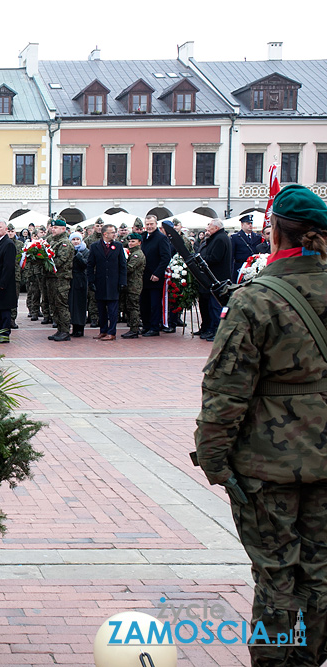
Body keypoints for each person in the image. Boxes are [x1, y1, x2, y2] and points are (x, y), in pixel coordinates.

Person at [194, 184, 327, 667]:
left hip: (269, 466)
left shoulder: (258, 299)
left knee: (276, 577)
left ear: (274, 231)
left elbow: (226, 391)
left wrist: (212, 460)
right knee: (320, 573)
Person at [86, 224, 127, 340]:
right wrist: (91, 280)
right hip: (100, 282)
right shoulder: (95, 246)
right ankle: (103, 330)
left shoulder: (118, 246)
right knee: (101, 309)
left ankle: (112, 332)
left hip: (114, 282)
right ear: (105, 234)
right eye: (112, 232)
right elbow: (90, 265)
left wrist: (122, 281)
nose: (115, 234)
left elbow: (123, 265)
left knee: (113, 309)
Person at [197, 219, 233, 342]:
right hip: (215, 277)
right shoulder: (219, 237)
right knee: (212, 306)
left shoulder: (220, 239)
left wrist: (201, 259)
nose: (207, 228)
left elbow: (215, 258)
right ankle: (211, 329)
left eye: (210, 227)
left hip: (217, 278)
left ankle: (217, 331)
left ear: (216, 228)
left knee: (215, 306)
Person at [139, 215, 173, 337]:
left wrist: (157, 273)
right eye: (147, 224)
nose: (149, 226)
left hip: (155, 277)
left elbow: (165, 257)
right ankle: (146, 325)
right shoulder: (143, 237)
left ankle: (154, 327)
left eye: (151, 224)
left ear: (156, 224)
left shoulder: (161, 238)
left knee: (154, 304)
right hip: (143, 276)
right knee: (144, 303)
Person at [46, 219, 75, 341]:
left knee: (61, 304)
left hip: (61, 279)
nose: (53, 229)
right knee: (53, 305)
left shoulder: (65, 244)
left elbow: (59, 261)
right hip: (52, 278)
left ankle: (65, 330)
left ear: (63, 229)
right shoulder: (53, 242)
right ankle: (59, 328)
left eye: (56, 228)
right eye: (53, 227)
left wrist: (45, 263)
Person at [121, 233, 146, 338]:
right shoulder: (132, 253)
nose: (130, 243)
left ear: (139, 242)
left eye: (133, 241)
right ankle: (133, 327)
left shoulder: (137, 255)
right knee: (129, 307)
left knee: (133, 307)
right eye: (130, 241)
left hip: (134, 285)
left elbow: (129, 268)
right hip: (130, 284)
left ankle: (134, 330)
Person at [68, 231, 90, 338]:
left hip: (81, 280)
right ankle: (74, 327)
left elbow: (85, 264)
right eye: (73, 239)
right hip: (71, 280)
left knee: (80, 305)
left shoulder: (85, 251)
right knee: (72, 305)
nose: (76, 242)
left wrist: (78, 256)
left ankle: (80, 328)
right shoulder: (69, 251)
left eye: (78, 239)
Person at [231, 214, 263, 278]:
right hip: (240, 266)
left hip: (253, 266)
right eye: (248, 223)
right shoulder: (235, 237)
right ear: (242, 225)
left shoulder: (257, 237)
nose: (250, 225)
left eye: (251, 223)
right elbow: (232, 254)